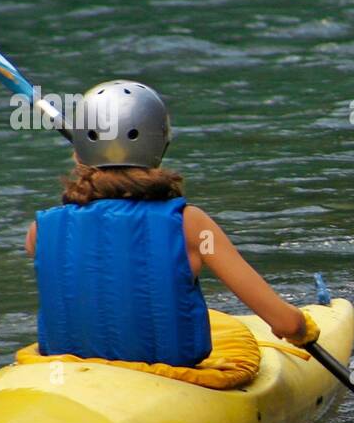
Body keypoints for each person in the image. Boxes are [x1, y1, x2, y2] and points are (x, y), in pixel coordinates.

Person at [25, 80, 318, 366]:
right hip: (169, 379)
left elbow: (97, 264)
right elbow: (283, 322)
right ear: (161, 144)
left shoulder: (41, 230)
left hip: (74, 376)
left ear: (77, 152)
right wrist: (302, 327)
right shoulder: (190, 224)